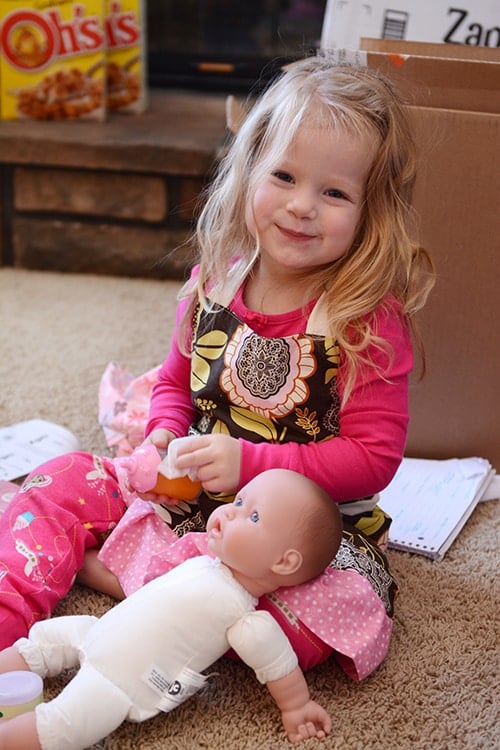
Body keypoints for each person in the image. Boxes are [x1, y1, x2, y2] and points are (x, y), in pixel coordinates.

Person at [0, 53, 434, 681]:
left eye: (334, 192)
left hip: (296, 533)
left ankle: (125, 575)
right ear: (251, 168)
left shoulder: (366, 322)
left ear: (373, 212)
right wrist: (163, 434)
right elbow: (176, 382)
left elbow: (371, 459)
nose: (302, 206)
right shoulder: (219, 281)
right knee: (58, 480)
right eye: (284, 176)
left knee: (322, 620)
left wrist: (249, 464)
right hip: (195, 500)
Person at [0, 469, 339, 749]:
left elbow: (278, 664)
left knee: (66, 725)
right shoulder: (204, 562)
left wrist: (296, 706)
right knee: (41, 644)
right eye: (237, 501)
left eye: (252, 515)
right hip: (98, 631)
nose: (228, 512)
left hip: (121, 682)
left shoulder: (248, 620)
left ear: (283, 562)